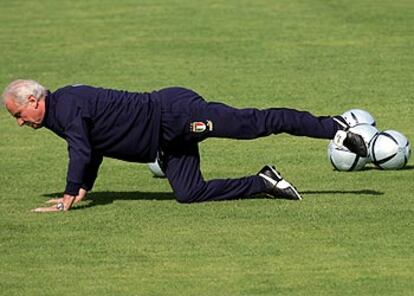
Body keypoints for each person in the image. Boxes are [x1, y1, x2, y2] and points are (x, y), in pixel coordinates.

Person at [2, 79, 367, 212]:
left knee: (253, 123)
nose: (20, 122)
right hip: (165, 139)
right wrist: (84, 187)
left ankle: (335, 126)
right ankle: (263, 182)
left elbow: (80, 149)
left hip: (175, 115)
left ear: (34, 100)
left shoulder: (66, 105)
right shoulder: (56, 114)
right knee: (188, 193)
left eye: (19, 114)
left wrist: (68, 193)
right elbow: (93, 146)